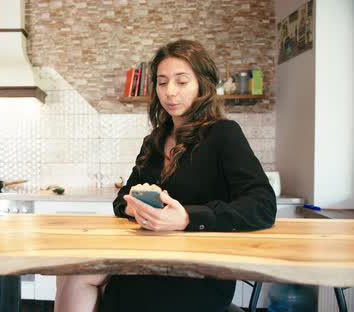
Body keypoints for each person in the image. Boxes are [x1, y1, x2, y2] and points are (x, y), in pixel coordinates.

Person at [54, 39, 276, 312]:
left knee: (78, 276)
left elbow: (263, 205)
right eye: (162, 82)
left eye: (181, 82)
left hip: (196, 271)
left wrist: (186, 218)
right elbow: (121, 200)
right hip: (147, 258)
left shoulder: (223, 134)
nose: (170, 92)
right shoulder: (154, 141)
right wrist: (134, 207)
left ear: (202, 86)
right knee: (66, 270)